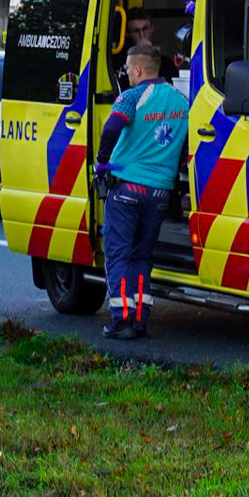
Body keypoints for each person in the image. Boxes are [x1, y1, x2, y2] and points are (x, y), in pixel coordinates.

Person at [96, 43, 190, 339]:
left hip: (127, 187)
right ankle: (140, 318)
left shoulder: (132, 96)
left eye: (126, 69)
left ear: (137, 70)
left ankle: (121, 320)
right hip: (161, 192)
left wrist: (102, 161)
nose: (126, 74)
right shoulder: (180, 101)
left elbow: (112, 127)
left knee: (118, 254)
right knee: (142, 256)